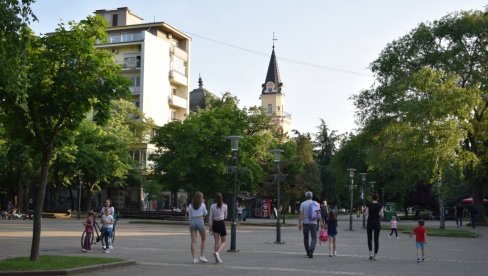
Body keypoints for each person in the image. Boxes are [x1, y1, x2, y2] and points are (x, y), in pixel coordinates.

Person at [298, 191, 324, 258]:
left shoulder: (303, 204)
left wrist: (300, 223)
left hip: (305, 223)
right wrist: (322, 223)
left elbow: (301, 214)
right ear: (312, 196)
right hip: (314, 223)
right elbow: (319, 214)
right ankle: (311, 251)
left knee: (306, 238)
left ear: (306, 196)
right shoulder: (316, 203)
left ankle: (308, 251)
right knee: (314, 238)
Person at [187, 192, 208, 264]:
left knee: (193, 241)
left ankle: (194, 258)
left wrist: (190, 223)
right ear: (201, 198)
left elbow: (189, 216)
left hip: (192, 221)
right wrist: (204, 203)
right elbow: (205, 213)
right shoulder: (202, 205)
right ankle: (202, 256)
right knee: (203, 239)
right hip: (200, 221)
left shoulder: (190, 205)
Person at [208, 193, 227, 264]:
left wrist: (210, 227)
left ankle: (216, 259)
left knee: (216, 242)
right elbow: (225, 216)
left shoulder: (212, 206)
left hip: (215, 224)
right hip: (221, 223)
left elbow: (210, 217)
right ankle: (217, 253)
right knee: (224, 241)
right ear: (222, 198)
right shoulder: (225, 205)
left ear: (215, 198)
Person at [366, 193, 384, 260]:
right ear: (377, 198)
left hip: (370, 222)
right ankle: (375, 256)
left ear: (372, 198)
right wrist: (378, 214)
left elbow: (366, 213)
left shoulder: (369, 205)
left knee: (369, 238)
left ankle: (370, 254)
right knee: (376, 240)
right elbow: (382, 215)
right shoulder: (380, 205)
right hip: (377, 223)